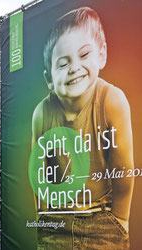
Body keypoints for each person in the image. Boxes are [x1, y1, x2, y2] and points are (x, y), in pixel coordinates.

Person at [31, 7, 134, 249]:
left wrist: (120, 220)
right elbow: (39, 173)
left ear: (101, 54)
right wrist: (43, 216)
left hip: (101, 217)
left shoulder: (111, 100)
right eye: (63, 63)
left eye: (84, 54)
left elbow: (123, 172)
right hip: (56, 219)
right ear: (49, 78)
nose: (74, 68)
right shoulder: (42, 113)